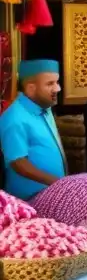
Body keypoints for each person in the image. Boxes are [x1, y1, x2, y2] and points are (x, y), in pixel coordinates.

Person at [0, 59, 66, 199]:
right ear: (31, 88)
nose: (57, 89)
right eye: (50, 84)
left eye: (57, 82)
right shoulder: (14, 118)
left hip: (53, 192)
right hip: (30, 199)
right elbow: (18, 163)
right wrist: (56, 183)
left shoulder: (45, 107)